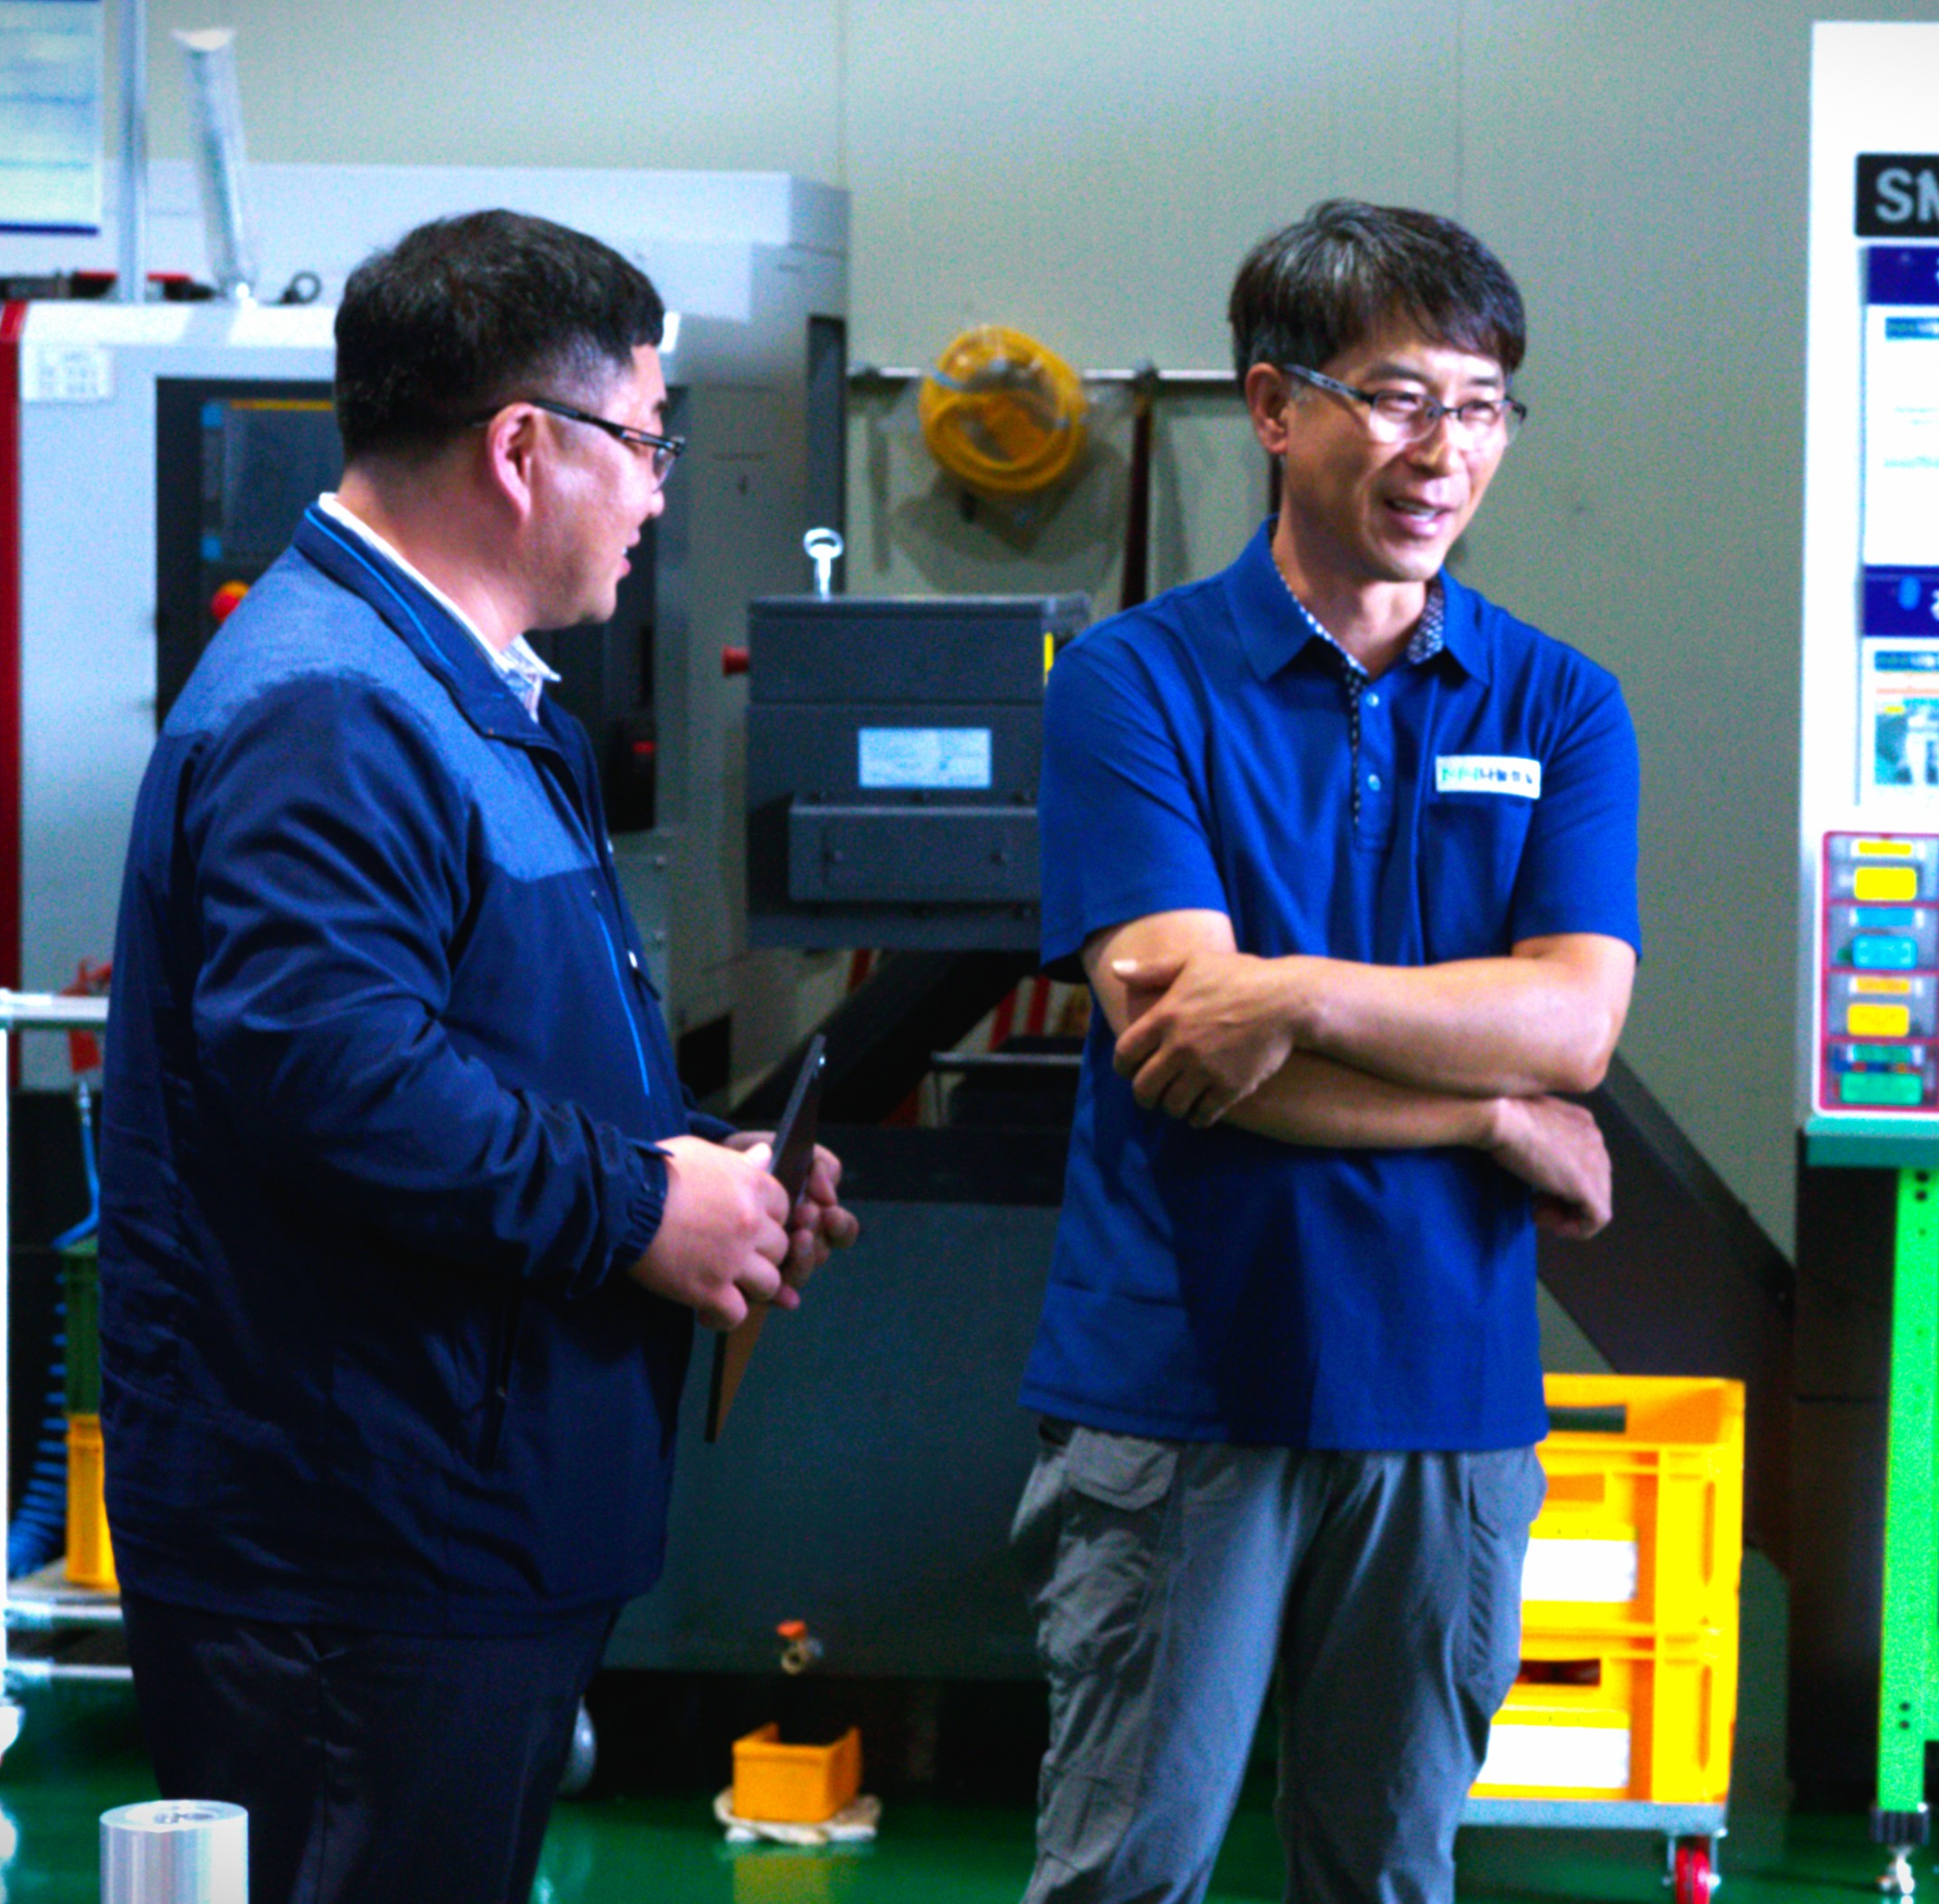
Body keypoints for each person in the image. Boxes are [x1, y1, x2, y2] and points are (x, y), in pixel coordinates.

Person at [95, 209, 857, 1904]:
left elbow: (493, 1044)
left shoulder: (460, 694)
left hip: (457, 1506)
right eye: (646, 442)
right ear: (523, 449)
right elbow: (337, 1078)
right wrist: (638, 1210)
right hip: (358, 1543)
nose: (658, 492)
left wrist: (706, 1173)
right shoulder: (333, 706)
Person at [1017, 199, 1639, 1904]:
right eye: (1398, 398)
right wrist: (1486, 1116)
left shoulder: (1558, 705)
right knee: (1126, 1873)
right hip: (1180, 1382)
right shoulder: (1134, 686)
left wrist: (1289, 991)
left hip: (1445, 1392)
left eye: (1483, 406)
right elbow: (1179, 1044)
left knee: (1386, 1877)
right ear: (1275, 407)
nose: (1444, 452)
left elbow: (1574, 1022)